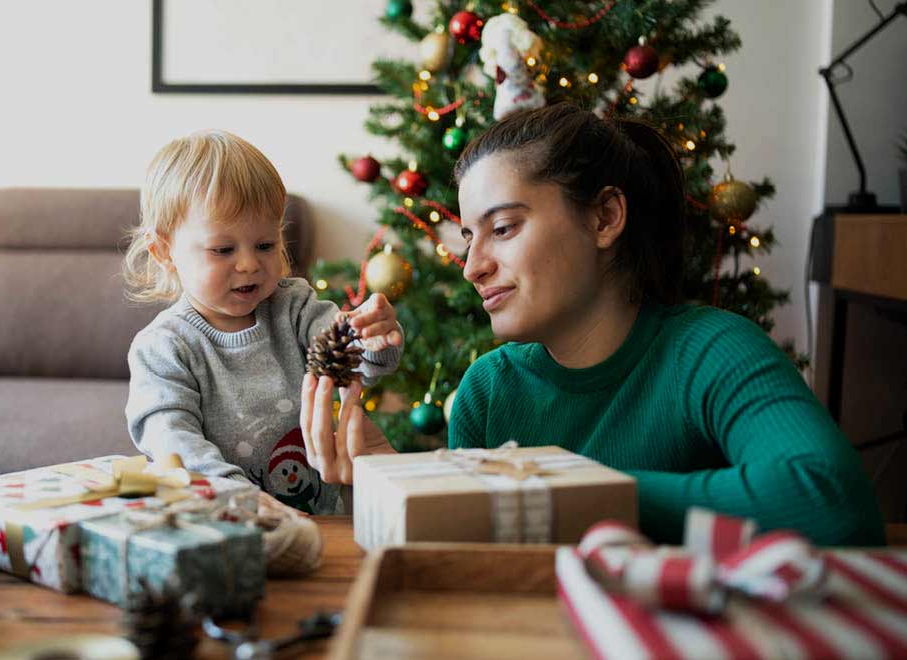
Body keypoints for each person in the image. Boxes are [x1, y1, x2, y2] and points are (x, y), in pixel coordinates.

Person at [302, 103, 884, 546]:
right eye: (469, 239)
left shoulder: (713, 351)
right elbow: (483, 571)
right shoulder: (489, 391)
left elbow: (831, 502)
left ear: (605, 217)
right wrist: (398, 483)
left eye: (503, 228)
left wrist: (550, 490)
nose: (474, 267)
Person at [123, 129, 404, 515]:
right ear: (164, 251)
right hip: (226, 525)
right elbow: (171, 440)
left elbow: (360, 365)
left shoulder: (295, 308)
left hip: (321, 523)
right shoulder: (164, 347)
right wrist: (246, 503)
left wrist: (374, 337)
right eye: (223, 249)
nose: (249, 264)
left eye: (265, 245)